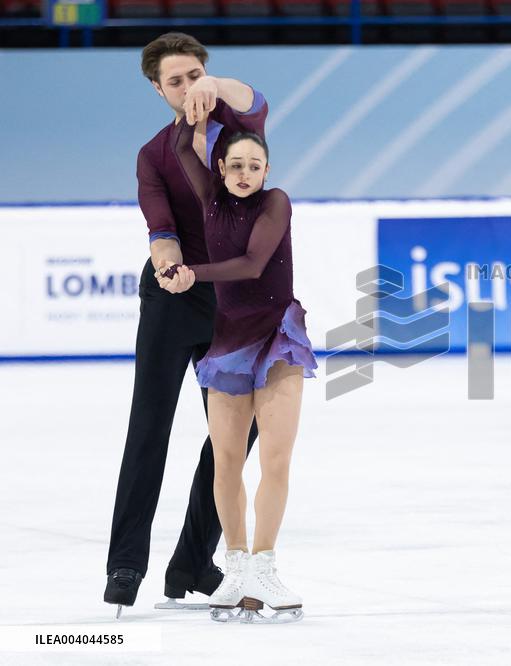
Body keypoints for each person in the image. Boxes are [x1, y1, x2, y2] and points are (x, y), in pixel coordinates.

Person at [104, 32, 268, 617]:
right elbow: (161, 227)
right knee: (149, 427)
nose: (187, 86)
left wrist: (214, 86)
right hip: (174, 296)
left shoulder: (238, 129)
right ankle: (125, 567)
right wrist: (171, 266)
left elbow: (255, 100)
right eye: (175, 80)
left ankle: (191, 563)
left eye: (194, 73)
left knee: (238, 431)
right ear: (157, 88)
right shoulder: (153, 154)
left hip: (232, 298)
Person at [160, 115, 317, 624]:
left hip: (277, 338)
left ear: (266, 169)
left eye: (256, 165)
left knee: (274, 459)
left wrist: (191, 272)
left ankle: (266, 566)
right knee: (225, 461)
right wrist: (200, 106)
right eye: (237, 166)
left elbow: (252, 264)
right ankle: (236, 568)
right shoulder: (208, 199)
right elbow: (183, 145)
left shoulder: (276, 202)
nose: (246, 173)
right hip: (228, 342)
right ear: (221, 169)